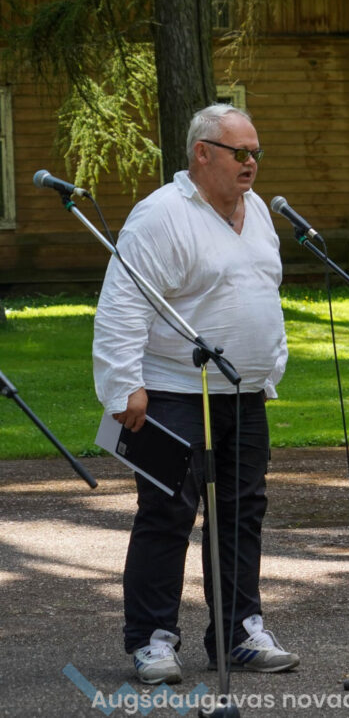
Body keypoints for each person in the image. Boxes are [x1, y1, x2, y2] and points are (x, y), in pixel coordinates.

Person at [93, 104, 299, 683]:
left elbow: (262, 291)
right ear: (202, 153)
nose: (251, 162)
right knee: (167, 513)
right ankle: (152, 640)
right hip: (172, 391)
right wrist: (123, 386)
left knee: (241, 514)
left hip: (245, 392)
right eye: (240, 152)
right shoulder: (161, 215)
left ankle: (239, 633)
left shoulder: (258, 212)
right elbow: (122, 306)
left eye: (256, 152)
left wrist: (268, 366)